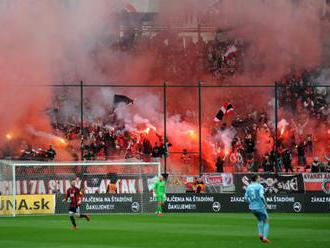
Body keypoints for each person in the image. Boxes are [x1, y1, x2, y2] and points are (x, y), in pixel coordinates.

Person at [244, 174, 270, 243]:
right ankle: (265, 237)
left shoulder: (248, 187)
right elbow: (261, 196)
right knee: (266, 221)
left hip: (252, 208)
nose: (260, 179)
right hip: (260, 207)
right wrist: (266, 204)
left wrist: (251, 202)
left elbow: (245, 198)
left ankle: (260, 234)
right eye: (259, 178)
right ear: (256, 179)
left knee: (259, 219)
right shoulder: (260, 186)